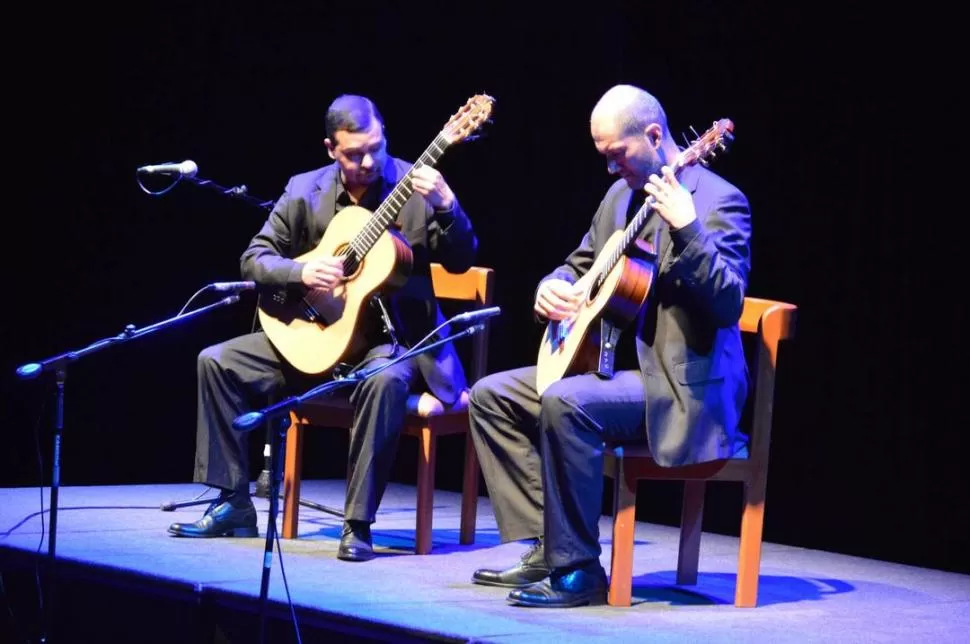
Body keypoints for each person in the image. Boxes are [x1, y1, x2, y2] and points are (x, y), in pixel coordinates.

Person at [466, 84, 752, 607]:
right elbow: (579, 265)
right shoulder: (620, 197)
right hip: (609, 371)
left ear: (654, 136)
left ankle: (578, 570)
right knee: (491, 395)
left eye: (617, 154)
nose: (610, 167)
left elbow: (729, 302)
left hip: (678, 388)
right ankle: (549, 546)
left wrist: (687, 228)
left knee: (565, 401)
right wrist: (551, 286)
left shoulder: (719, 201)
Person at [167, 94, 478, 563]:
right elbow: (254, 259)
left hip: (387, 341)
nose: (368, 162)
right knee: (217, 362)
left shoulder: (415, 188)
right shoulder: (303, 190)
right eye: (354, 154)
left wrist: (448, 206)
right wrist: (302, 272)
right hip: (314, 336)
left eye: (376, 148)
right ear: (331, 148)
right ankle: (233, 503)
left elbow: (461, 259)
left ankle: (357, 524)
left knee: (385, 380)